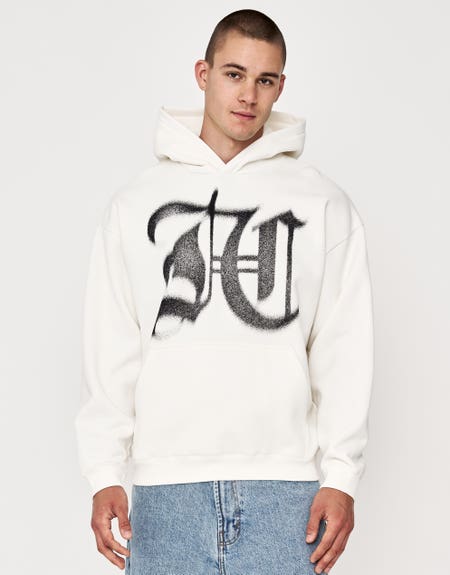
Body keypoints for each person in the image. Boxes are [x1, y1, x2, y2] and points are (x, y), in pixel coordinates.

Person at [74, 8, 374, 575]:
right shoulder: (135, 204)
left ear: (280, 86)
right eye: (235, 74)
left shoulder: (322, 204)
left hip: (285, 493)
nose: (248, 95)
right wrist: (104, 472)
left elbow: (343, 347)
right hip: (165, 493)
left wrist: (342, 476)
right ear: (203, 73)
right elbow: (111, 345)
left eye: (265, 80)